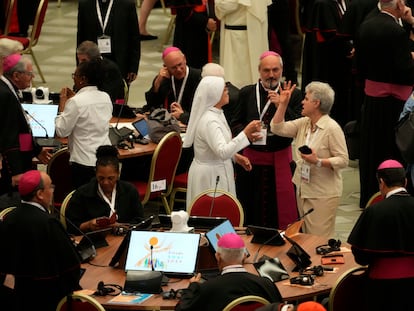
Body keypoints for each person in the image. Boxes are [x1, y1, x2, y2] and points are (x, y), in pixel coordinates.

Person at [231, 51, 302, 229]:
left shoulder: (294, 94)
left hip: (280, 160)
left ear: (282, 70)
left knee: (280, 211)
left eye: (275, 70)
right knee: (251, 207)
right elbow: (235, 123)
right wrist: (247, 133)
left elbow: (298, 126)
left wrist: (281, 105)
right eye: (267, 70)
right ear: (259, 71)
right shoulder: (247, 92)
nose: (271, 75)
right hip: (252, 162)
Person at [355, 0, 414, 209]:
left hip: (372, 100)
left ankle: (371, 195)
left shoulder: (366, 24)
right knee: (395, 147)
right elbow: (404, 70)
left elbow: (359, 66)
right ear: (398, 4)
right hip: (395, 103)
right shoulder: (396, 32)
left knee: (373, 147)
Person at [271, 81, 349, 237]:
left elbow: (343, 160)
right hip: (303, 190)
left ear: (316, 103)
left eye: (306, 99)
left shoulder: (331, 128)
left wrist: (318, 161)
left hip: (323, 194)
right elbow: (277, 128)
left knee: (319, 240)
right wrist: (282, 105)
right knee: (306, 238)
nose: (302, 102)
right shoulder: (304, 123)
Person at [0, 170, 82, 311]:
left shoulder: (8, 219)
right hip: (50, 301)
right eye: (50, 187)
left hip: (16, 299)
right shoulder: (49, 223)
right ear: (39, 194)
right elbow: (72, 267)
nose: (52, 190)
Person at [183, 76, 261, 208]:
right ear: (215, 94)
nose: (228, 92)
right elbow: (222, 151)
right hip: (210, 175)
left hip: (217, 168)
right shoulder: (210, 121)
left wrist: (235, 157)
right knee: (211, 214)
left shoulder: (217, 113)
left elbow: (218, 146)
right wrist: (245, 134)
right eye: (224, 89)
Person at [347, 159, 414, 311]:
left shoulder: (374, 211)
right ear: (405, 181)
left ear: (381, 182)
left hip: (381, 284)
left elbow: (360, 255)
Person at [175, 233, 282, 311]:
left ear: (218, 257)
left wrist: (192, 287)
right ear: (244, 256)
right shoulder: (266, 284)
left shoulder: (207, 289)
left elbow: (181, 309)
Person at [55, 59, 113, 188]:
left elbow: (61, 131)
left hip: (83, 162)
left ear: (83, 79)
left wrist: (63, 104)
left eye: (74, 75)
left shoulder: (75, 102)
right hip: (104, 159)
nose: (73, 79)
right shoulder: (105, 97)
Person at [0, 54, 51, 196]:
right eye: (29, 74)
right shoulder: (5, 94)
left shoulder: (8, 89)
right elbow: (9, 136)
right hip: (9, 166)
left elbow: (22, 131)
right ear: (16, 75)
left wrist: (36, 150)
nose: (33, 77)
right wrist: (16, 172)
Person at [66, 145, 144, 234]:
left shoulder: (129, 190)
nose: (106, 183)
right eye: (101, 178)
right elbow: (70, 226)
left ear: (118, 174)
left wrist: (122, 227)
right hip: (96, 242)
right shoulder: (82, 194)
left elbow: (140, 221)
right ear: (95, 173)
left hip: (124, 238)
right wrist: (88, 225)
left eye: (110, 178)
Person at [300, 0, 353, 127]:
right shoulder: (322, 4)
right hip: (327, 66)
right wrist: (349, 48)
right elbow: (331, 35)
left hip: (340, 65)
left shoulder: (344, 2)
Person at [77, 0, 140, 84]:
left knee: (118, 94)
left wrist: (133, 67)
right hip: (92, 64)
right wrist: (79, 68)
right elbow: (80, 37)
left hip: (120, 62)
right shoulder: (85, 4)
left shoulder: (127, 4)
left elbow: (134, 37)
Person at [215, 0, 271, 88]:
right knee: (233, 79)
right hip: (233, 37)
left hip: (251, 36)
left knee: (251, 77)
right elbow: (221, 7)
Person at [144, 46, 201, 126]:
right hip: (168, 126)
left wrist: (182, 115)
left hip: (191, 125)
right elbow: (151, 105)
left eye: (180, 64)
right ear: (165, 67)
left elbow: (203, 113)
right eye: (173, 67)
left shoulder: (199, 77)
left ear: (184, 59)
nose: (178, 69)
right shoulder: (164, 78)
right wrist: (157, 83)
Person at [173, 2, 217, 69]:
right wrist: (205, 21)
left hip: (202, 24)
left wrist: (210, 19)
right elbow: (183, 11)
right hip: (187, 28)